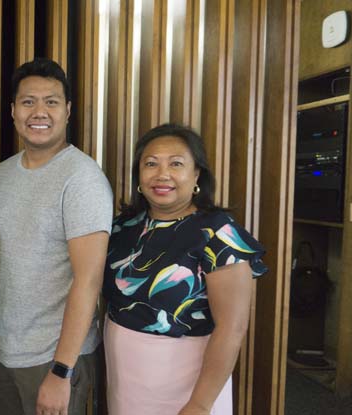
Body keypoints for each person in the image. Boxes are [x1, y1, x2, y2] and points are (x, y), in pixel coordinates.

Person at [102, 123, 268, 415]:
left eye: (176, 164)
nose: (162, 174)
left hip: (189, 383)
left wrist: (200, 404)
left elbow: (232, 327)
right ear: (138, 175)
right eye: (151, 164)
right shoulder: (122, 226)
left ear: (196, 175)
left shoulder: (218, 233)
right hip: (125, 376)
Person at [0, 57, 114, 415]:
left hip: (53, 361)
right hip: (3, 352)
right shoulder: (1, 175)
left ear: (68, 111)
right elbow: (2, 267)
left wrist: (62, 370)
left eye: (51, 102)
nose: (39, 111)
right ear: (12, 111)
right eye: (28, 101)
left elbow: (88, 282)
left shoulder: (82, 179)